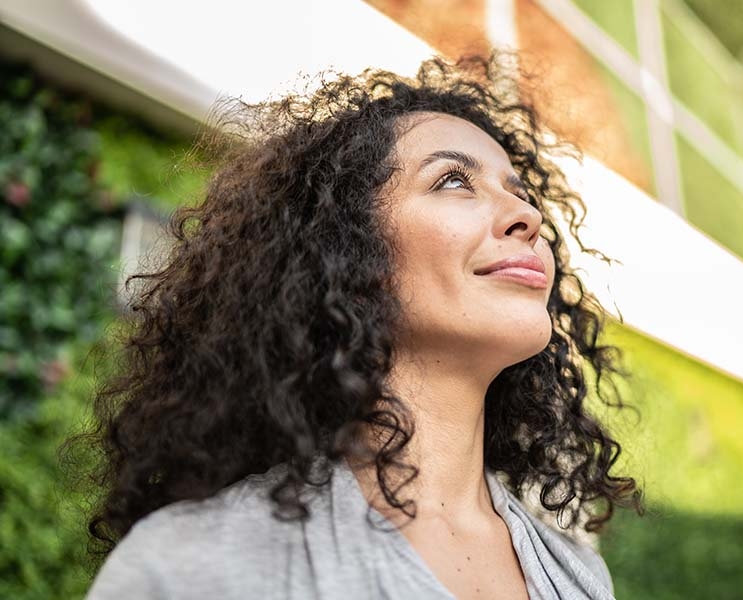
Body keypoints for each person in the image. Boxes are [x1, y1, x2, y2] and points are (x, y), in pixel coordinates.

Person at [75, 54, 641, 599]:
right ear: (347, 251)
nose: (530, 216)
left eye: (521, 194)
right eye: (453, 181)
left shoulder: (578, 574)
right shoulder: (197, 565)